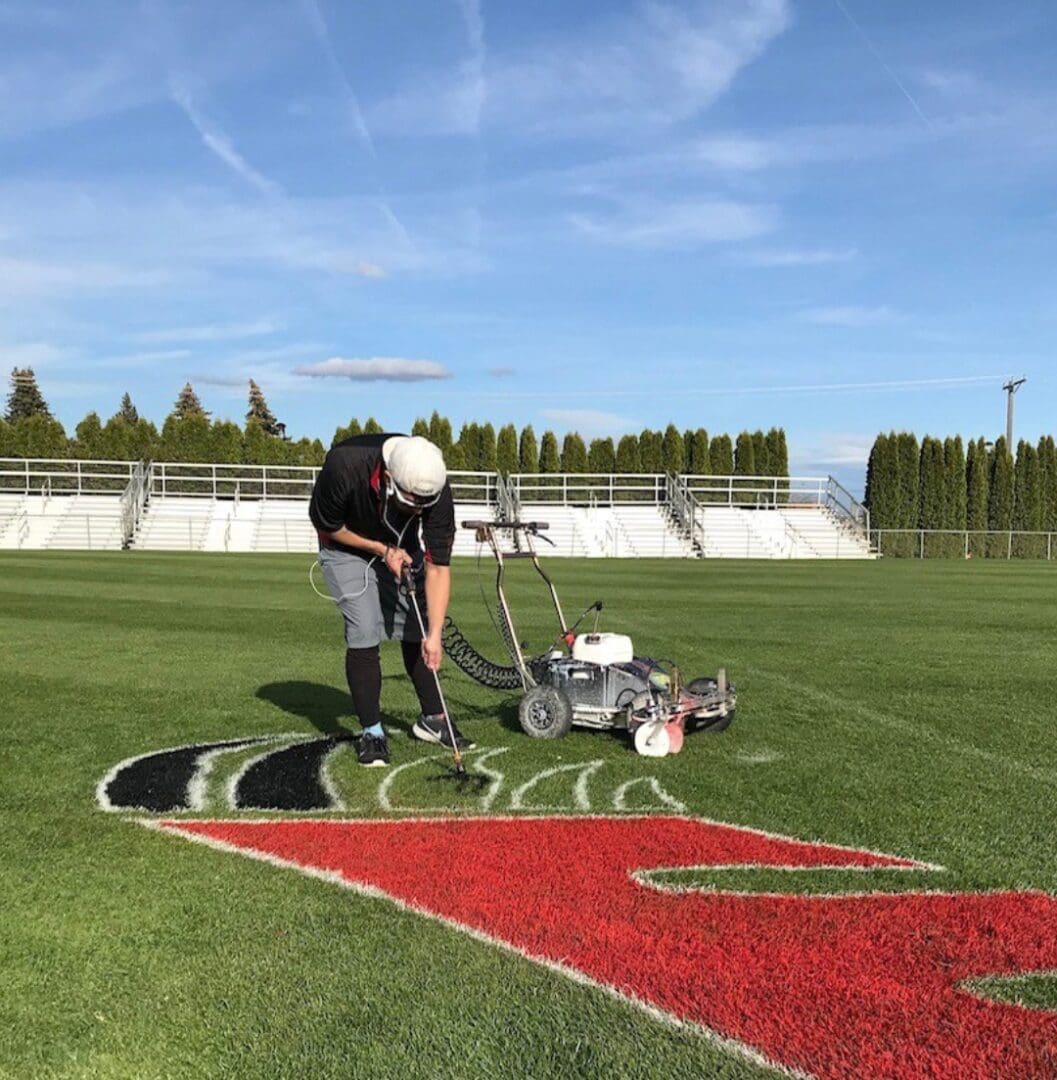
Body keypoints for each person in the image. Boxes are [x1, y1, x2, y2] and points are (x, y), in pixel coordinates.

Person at [308, 432, 473, 767]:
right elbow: (328, 524)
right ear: (388, 477)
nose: (418, 507)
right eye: (410, 501)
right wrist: (382, 550)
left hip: (401, 543)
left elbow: (439, 566)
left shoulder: (435, 485)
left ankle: (433, 719)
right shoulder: (345, 465)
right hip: (345, 545)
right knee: (365, 627)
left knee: (419, 626)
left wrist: (436, 634)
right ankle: (372, 732)